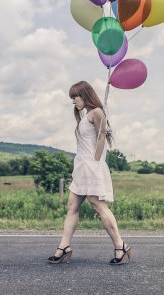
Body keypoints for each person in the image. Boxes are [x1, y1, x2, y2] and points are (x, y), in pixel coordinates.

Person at [47, 81, 131, 265]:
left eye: (75, 97)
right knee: (72, 206)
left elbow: (101, 138)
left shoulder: (97, 112)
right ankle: (64, 246)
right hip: (81, 167)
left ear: (84, 94)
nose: (73, 102)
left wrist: (95, 162)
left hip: (91, 166)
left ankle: (120, 245)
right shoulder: (86, 115)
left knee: (98, 206)